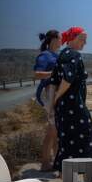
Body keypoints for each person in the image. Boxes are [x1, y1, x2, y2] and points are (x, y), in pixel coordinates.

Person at [51, 27, 92, 171]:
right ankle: (85, 172)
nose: (84, 43)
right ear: (73, 39)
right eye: (82, 40)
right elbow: (68, 78)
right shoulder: (74, 55)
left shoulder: (63, 54)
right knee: (88, 136)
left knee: (67, 138)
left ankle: (65, 173)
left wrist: (54, 100)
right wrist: (57, 96)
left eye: (85, 40)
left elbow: (53, 80)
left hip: (64, 105)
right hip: (73, 105)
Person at [33, 29, 61, 171]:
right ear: (54, 40)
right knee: (52, 129)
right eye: (60, 38)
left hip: (55, 93)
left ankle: (55, 160)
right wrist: (55, 73)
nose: (62, 41)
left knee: (56, 130)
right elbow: (37, 74)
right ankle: (45, 163)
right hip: (50, 93)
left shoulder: (54, 55)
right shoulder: (45, 56)